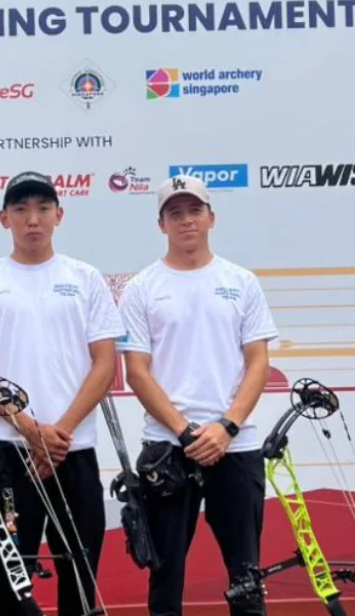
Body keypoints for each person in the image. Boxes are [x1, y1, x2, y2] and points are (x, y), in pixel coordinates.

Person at [0, 171, 124, 616]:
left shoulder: (85, 278)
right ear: (3, 218)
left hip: (72, 450)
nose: (33, 219)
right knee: (3, 588)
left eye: (43, 209)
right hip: (6, 455)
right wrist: (29, 428)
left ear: (59, 215)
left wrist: (57, 433)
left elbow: (105, 364)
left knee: (80, 582)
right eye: (21, 209)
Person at [116, 175, 279, 616]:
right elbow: (137, 372)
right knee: (165, 578)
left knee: (246, 578)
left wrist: (226, 427)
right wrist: (186, 432)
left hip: (236, 446)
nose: (186, 220)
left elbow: (258, 363)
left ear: (211, 218)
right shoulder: (142, 288)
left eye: (194, 211)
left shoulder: (241, 281)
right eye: (175, 213)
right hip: (169, 450)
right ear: (161, 224)